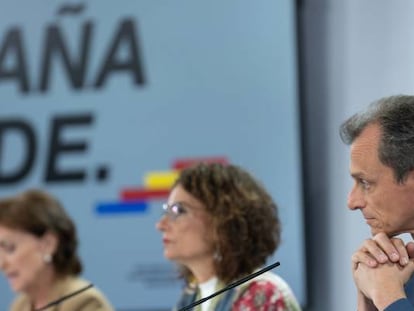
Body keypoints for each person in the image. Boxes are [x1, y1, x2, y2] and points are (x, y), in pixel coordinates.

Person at [156, 162, 302, 311]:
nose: (160, 225)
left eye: (179, 210)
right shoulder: (190, 298)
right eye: (167, 211)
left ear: (223, 219)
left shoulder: (263, 294)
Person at [339, 94, 414, 310]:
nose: (352, 202)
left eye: (365, 182)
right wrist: (369, 301)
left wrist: (387, 296)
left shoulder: (391, 287)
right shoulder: (399, 273)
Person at [0, 189, 115, 311]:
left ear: (48, 244)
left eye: (9, 248)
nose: (2, 264)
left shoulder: (85, 301)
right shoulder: (20, 305)